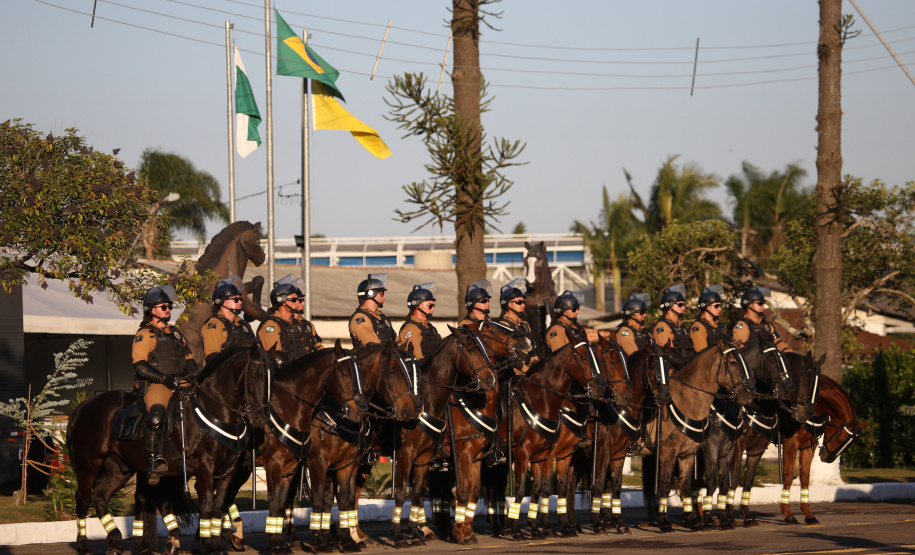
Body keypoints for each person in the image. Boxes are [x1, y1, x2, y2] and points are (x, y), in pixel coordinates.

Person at [132, 285, 196, 484]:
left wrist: (194, 378)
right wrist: (166, 379)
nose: (168, 310)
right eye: (163, 307)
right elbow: (140, 367)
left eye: (169, 306)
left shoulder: (176, 333)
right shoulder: (145, 334)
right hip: (158, 384)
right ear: (152, 310)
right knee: (157, 415)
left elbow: (189, 358)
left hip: (182, 382)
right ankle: (154, 460)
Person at [258, 274, 323, 365]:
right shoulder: (271, 326)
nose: (300, 303)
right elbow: (275, 358)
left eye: (300, 300)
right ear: (282, 301)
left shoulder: (299, 324)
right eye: (294, 300)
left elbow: (318, 348)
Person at [201, 276, 258, 364]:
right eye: (235, 299)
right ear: (221, 301)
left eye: (240, 299)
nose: (240, 302)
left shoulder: (243, 324)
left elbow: (257, 350)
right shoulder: (214, 325)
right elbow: (211, 357)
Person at [496, 278, 539, 374]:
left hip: (530, 370)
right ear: (506, 303)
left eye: (524, 302)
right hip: (513, 372)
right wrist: (526, 370)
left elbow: (533, 348)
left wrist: (535, 363)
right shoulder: (502, 325)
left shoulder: (524, 324)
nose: (523, 305)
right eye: (518, 302)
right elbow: (507, 355)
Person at [732, 286, 793, 352]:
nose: (763, 306)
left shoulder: (768, 325)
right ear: (749, 304)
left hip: (770, 360)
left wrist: (789, 354)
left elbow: (778, 342)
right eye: (760, 303)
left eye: (763, 303)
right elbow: (738, 347)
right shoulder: (742, 325)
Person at [349, 273, 396, 351]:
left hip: (388, 360)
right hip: (371, 362)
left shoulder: (382, 317)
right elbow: (375, 348)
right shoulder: (360, 319)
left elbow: (395, 340)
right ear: (371, 294)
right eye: (381, 294)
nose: (385, 297)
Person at [398, 282, 441, 362]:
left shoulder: (430, 327)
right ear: (417, 305)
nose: (433, 309)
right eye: (430, 306)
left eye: (433, 306)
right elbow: (418, 360)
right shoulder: (411, 328)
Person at [690, 284, 731, 352]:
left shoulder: (721, 325)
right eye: (716, 306)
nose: (720, 309)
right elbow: (702, 354)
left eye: (720, 306)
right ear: (706, 306)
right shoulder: (698, 327)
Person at [616, 293, 651, 357]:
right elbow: (635, 356)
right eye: (642, 312)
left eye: (645, 312)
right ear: (631, 313)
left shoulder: (645, 330)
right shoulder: (625, 332)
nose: (645, 315)